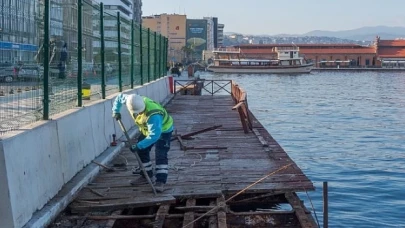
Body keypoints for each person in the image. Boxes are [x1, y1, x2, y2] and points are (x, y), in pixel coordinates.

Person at [112, 93, 174, 192]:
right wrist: (116, 111)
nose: (139, 114)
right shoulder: (130, 100)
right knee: (142, 152)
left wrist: (139, 145)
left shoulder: (153, 115)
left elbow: (154, 136)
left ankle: (160, 181)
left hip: (163, 131)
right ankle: (146, 175)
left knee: (160, 155)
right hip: (146, 130)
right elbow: (119, 97)